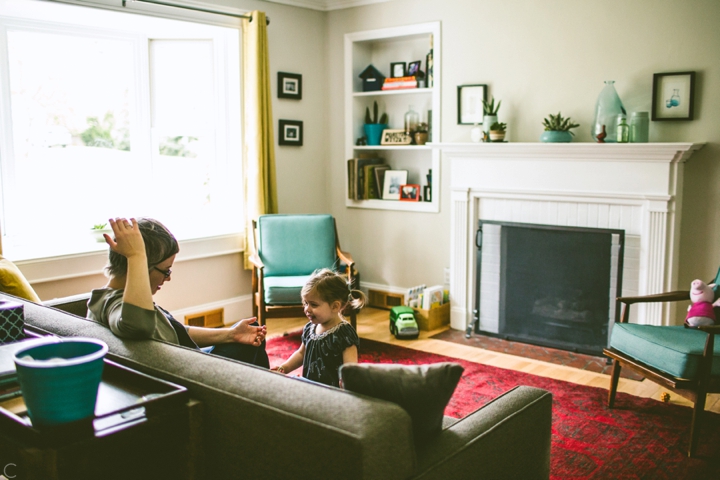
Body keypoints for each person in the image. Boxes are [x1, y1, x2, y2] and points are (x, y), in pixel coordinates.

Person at [87, 217, 269, 367]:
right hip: (195, 372)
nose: (168, 278)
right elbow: (138, 324)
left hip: (187, 356)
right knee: (250, 346)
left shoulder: (112, 298)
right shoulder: (117, 307)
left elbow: (176, 332)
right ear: (140, 266)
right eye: (166, 271)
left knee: (250, 333)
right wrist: (136, 256)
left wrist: (230, 334)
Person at [272, 268, 365, 387]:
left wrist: (346, 386)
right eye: (306, 303)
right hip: (310, 388)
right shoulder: (310, 328)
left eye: (313, 305)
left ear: (335, 306)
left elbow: (351, 368)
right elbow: (301, 353)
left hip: (333, 393)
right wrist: (284, 368)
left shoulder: (344, 334)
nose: (307, 309)